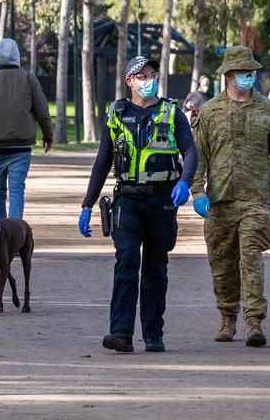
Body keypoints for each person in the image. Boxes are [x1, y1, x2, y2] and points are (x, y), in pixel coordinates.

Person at [78, 56, 198, 353]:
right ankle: (120, 333)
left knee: (156, 267)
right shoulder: (116, 114)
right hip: (127, 201)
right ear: (129, 81)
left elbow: (191, 151)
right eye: (142, 75)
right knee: (126, 262)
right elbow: (103, 161)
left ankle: (153, 334)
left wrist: (185, 182)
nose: (149, 79)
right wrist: (87, 204)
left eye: (153, 74)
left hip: (162, 201)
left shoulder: (172, 112)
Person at [191, 45, 270, 347]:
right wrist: (197, 191)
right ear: (228, 75)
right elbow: (198, 156)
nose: (248, 77)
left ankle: (254, 321)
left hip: (254, 201)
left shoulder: (267, 110)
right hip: (219, 200)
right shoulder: (209, 112)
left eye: (251, 72)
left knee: (251, 259)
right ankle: (227, 317)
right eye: (242, 73)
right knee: (222, 263)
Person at [0, 38, 53, 220]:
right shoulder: (28, 78)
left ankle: (0, 235)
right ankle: (15, 236)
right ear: (17, 56)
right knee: (17, 191)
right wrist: (48, 135)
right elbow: (42, 110)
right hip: (21, 147)